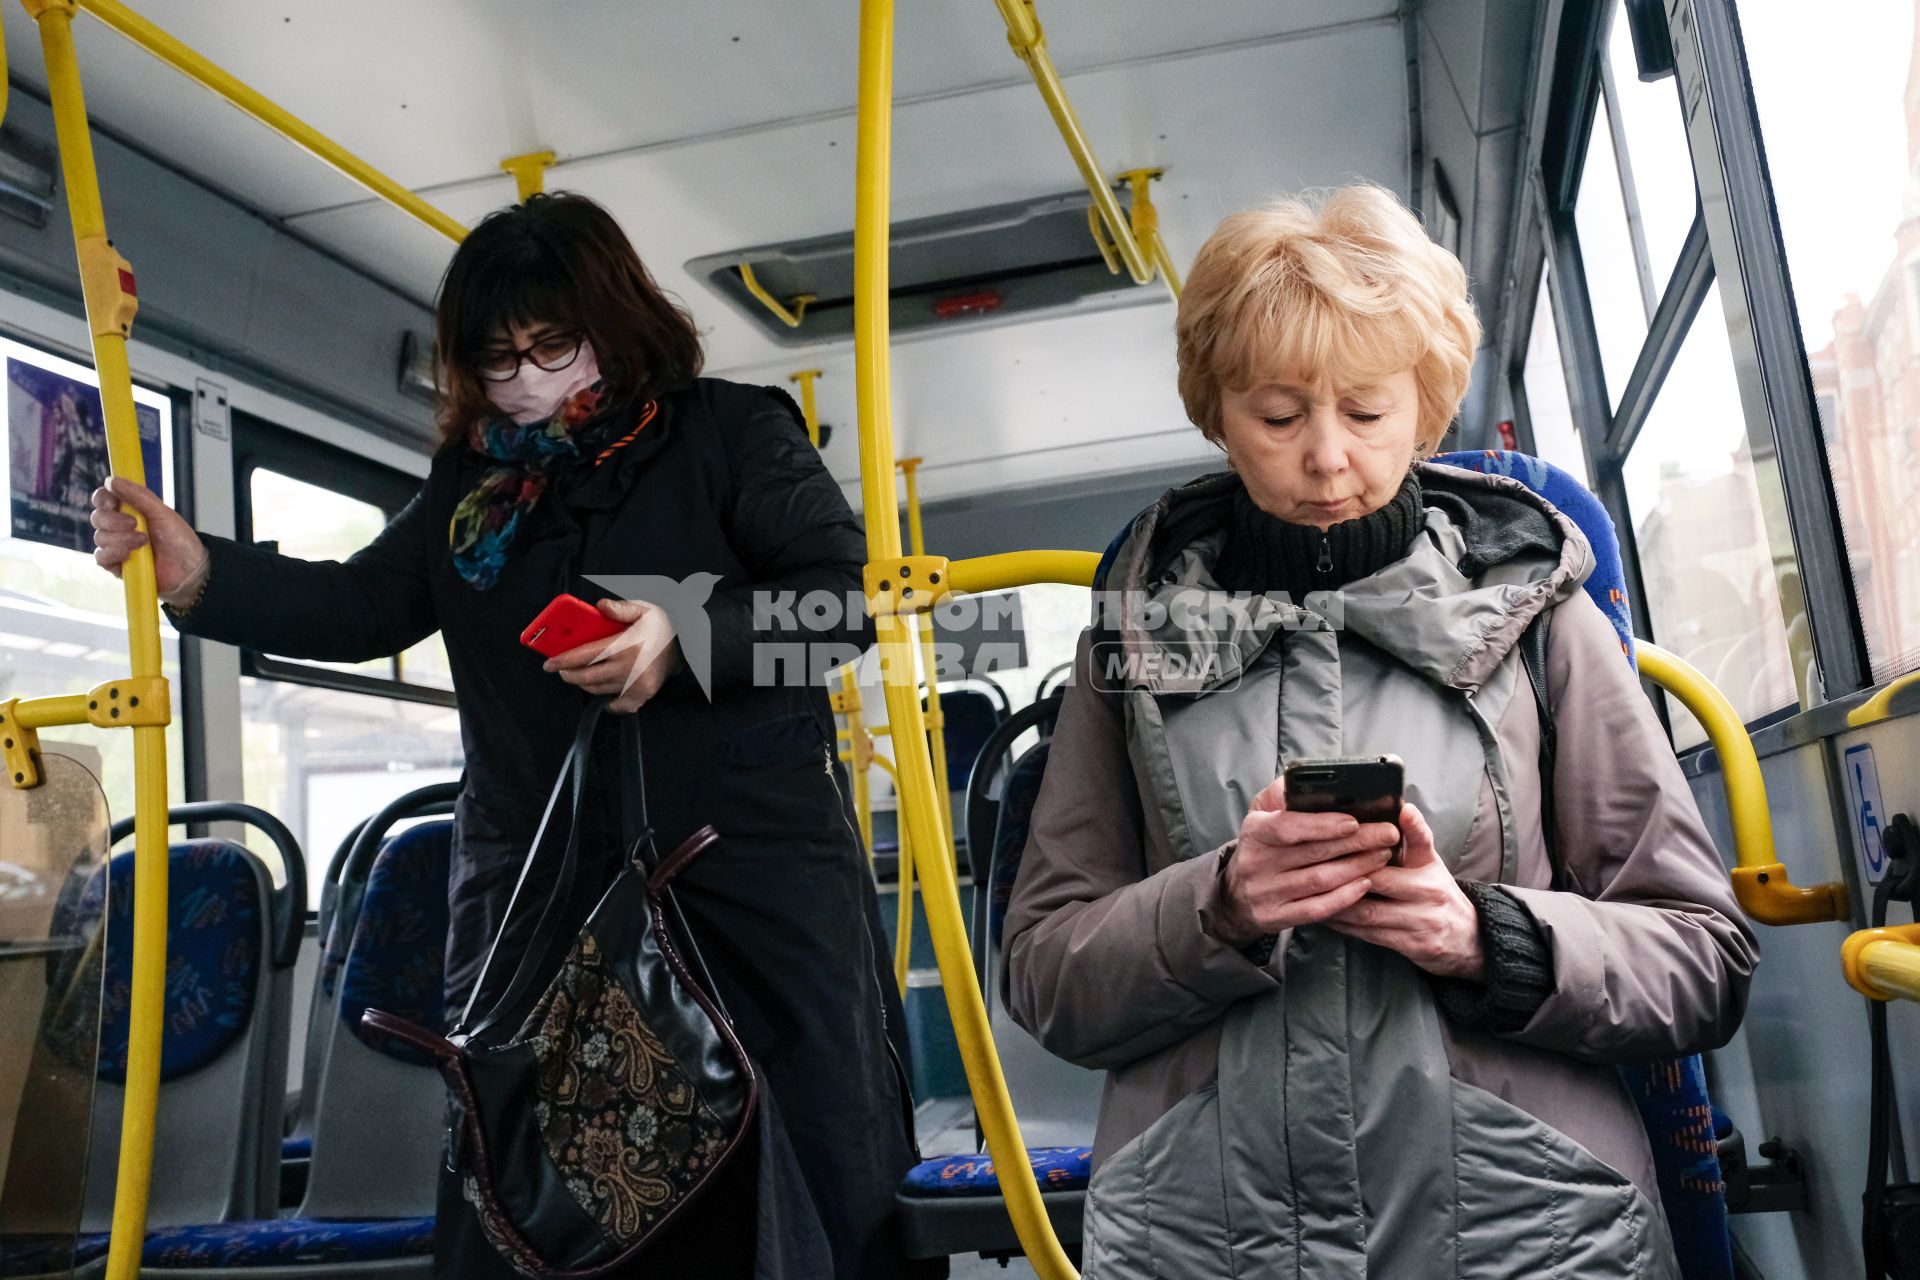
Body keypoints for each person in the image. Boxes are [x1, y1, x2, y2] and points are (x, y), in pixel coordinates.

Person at [91, 193, 925, 1279]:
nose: (526, 380)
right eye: (496, 359)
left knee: (774, 1198)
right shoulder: (474, 490)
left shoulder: (730, 434)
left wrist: (681, 635)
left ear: (615, 322)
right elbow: (360, 607)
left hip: (742, 892)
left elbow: (840, 605)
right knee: (547, 1205)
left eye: (551, 345)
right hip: (541, 897)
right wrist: (198, 569)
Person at [1001, 183, 1759, 1278]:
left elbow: (1704, 955)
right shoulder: (1123, 649)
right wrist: (1217, 905)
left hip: (1530, 1228)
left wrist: (1485, 937)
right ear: (1217, 410)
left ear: (1427, 407)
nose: (1326, 459)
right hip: (1201, 1238)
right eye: (1278, 416)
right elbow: (1046, 976)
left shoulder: (1547, 620)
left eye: (1365, 413)